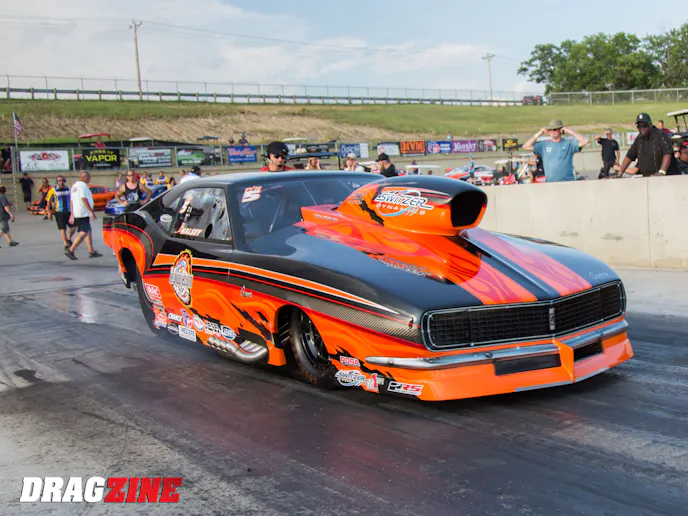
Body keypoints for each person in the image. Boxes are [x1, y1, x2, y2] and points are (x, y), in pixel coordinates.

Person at [523, 119, 589, 182]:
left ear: (560, 130)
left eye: (555, 129)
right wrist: (539, 133)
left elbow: (585, 141)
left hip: (568, 182)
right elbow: (526, 146)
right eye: (550, 130)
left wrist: (569, 131)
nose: (552, 132)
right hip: (551, 184)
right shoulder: (544, 145)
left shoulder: (569, 143)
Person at [618, 113, 680, 177]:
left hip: (667, 176)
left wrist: (662, 172)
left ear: (650, 124)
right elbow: (629, 156)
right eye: (639, 126)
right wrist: (620, 173)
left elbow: (667, 153)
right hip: (648, 177)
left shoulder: (660, 135)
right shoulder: (639, 139)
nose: (642, 128)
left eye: (644, 126)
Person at [65, 170, 102, 260]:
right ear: (84, 177)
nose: (90, 179)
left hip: (77, 212)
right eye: (89, 177)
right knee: (84, 232)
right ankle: (71, 250)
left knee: (88, 230)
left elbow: (71, 201)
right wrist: (91, 212)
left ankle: (91, 250)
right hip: (83, 212)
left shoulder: (75, 186)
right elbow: (84, 199)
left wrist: (72, 214)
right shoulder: (83, 186)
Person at [48, 175, 77, 251]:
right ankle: (65, 244)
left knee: (74, 227)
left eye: (62, 180)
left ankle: (68, 238)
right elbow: (49, 201)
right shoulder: (53, 190)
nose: (61, 182)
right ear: (57, 182)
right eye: (59, 181)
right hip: (59, 212)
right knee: (62, 228)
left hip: (68, 211)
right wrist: (49, 212)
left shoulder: (68, 189)